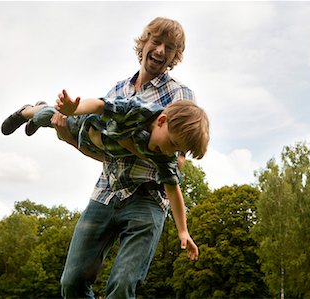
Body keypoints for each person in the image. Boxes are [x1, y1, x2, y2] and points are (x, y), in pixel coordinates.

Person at [53, 17, 194, 298]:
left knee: (122, 286)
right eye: (156, 41)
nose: (160, 50)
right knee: (71, 283)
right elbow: (104, 152)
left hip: (148, 199)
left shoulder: (181, 96)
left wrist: (134, 146)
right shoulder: (117, 91)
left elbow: (177, 162)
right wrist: (69, 137)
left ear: (174, 57)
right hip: (105, 193)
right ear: (143, 44)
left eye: (169, 48)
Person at [1, 91, 209, 246]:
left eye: (178, 151)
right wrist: (74, 109)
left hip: (94, 143)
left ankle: (37, 117)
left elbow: (173, 189)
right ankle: (26, 111)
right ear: (162, 121)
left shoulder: (165, 155)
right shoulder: (137, 110)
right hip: (85, 123)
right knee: (48, 115)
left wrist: (183, 231)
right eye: (172, 144)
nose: (169, 152)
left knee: (50, 122)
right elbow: (101, 105)